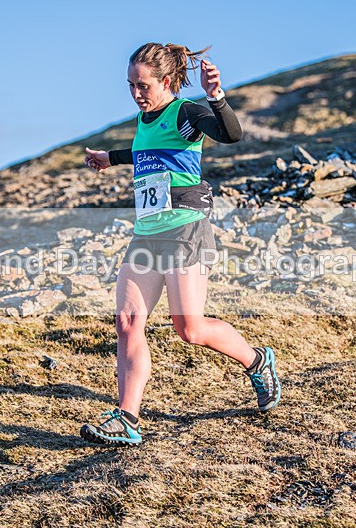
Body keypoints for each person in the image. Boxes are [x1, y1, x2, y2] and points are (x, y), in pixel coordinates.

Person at [79, 42, 280, 445]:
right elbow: (150, 154)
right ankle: (127, 419)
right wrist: (110, 157)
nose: (136, 93)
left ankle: (258, 360)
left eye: (143, 85)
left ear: (166, 81)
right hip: (147, 232)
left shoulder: (185, 113)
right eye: (131, 85)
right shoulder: (145, 119)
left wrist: (216, 97)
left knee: (189, 328)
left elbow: (231, 134)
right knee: (127, 322)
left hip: (187, 228)